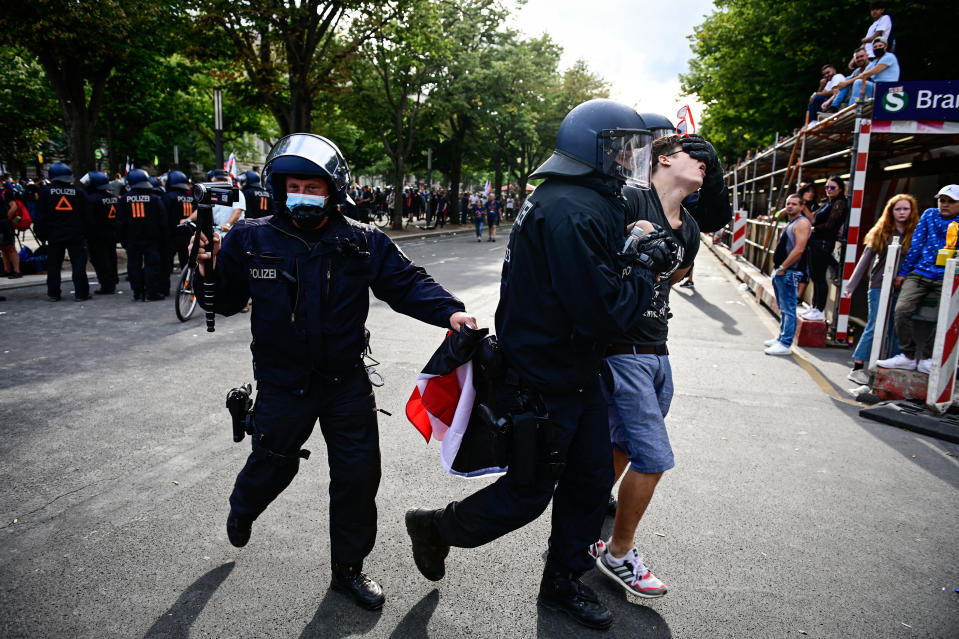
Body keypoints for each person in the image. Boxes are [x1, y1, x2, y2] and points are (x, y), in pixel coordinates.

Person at [404, 99, 668, 630]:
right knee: (526, 495)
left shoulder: (580, 197)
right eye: (620, 149)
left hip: (576, 371)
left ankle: (563, 583)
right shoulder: (571, 208)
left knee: (591, 482)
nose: (627, 160)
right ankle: (436, 528)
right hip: (543, 377)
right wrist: (643, 269)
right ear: (593, 149)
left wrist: (634, 254)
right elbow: (601, 313)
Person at [193, 133, 476, 611]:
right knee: (271, 465)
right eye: (294, 185)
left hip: (346, 383)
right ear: (280, 189)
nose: (303, 194)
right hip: (283, 384)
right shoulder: (250, 238)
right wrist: (206, 271)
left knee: (359, 477)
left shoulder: (362, 241)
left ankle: (348, 570)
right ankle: (243, 509)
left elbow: (407, 284)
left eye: (314, 186)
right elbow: (222, 301)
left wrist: (450, 313)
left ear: (334, 189)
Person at [592, 132, 708, 600]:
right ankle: (618, 554)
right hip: (623, 352)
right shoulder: (628, 200)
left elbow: (676, 275)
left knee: (620, 445)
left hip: (659, 352)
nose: (702, 163)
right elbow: (598, 260)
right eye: (692, 155)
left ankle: (579, 523)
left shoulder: (692, 228)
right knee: (653, 458)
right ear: (663, 160)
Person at [877, 185, 959, 373]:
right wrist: (904, 272)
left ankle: (929, 357)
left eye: (951, 201)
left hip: (948, 276)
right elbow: (917, 244)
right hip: (921, 272)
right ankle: (908, 355)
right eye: (942, 200)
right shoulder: (930, 215)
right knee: (901, 310)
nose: (945, 205)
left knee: (947, 317)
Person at [843, 194, 919, 385]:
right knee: (876, 324)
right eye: (898, 209)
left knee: (896, 326)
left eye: (906, 209)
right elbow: (865, 260)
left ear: (912, 211)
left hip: (903, 286)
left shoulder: (916, 232)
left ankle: (890, 366)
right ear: (891, 211)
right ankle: (858, 367)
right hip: (878, 284)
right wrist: (851, 285)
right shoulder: (881, 231)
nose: (902, 213)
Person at [34, 162, 92, 301]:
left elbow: (40, 216)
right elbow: (87, 215)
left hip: (54, 234)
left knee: (54, 265)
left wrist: (41, 234)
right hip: (75, 233)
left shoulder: (46, 193)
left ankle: (53, 293)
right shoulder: (78, 193)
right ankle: (81, 293)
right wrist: (86, 233)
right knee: (78, 264)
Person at [765, 194, 812, 355]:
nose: (790, 206)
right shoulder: (792, 222)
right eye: (788, 203)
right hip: (783, 270)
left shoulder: (802, 223)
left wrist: (783, 267)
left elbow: (799, 249)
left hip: (790, 271)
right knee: (783, 307)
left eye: (794, 204)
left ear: (801, 206)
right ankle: (781, 338)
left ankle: (785, 343)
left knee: (789, 307)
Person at [800, 176, 847, 323]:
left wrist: (813, 229)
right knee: (815, 277)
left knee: (820, 278)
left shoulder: (839, 203)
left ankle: (820, 310)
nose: (828, 190)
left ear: (839, 188)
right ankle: (815, 307)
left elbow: (831, 224)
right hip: (816, 243)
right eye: (826, 187)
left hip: (823, 244)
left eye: (832, 187)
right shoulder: (830, 202)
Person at [119, 169, 168, 301]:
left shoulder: (124, 200)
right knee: (152, 266)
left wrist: (123, 240)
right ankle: (152, 292)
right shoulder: (155, 199)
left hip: (132, 239)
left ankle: (138, 292)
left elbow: (121, 223)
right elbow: (163, 221)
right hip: (152, 239)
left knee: (134, 265)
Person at [81, 171, 120, 294]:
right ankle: (112, 281)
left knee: (100, 259)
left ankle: (106, 284)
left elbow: (88, 219)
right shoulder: (113, 198)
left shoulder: (90, 200)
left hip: (97, 235)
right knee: (111, 257)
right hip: (112, 233)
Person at [849, 37, 899, 104]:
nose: (877, 48)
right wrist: (845, 82)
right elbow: (862, 74)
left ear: (885, 46)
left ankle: (851, 107)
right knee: (849, 80)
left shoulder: (889, 57)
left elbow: (869, 73)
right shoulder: (874, 62)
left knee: (858, 83)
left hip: (887, 88)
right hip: (876, 87)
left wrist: (847, 82)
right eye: (875, 47)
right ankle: (835, 106)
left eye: (880, 46)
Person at [162, 170, 195, 270]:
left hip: (171, 235)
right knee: (186, 262)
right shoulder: (191, 198)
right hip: (187, 234)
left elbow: (163, 216)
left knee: (166, 263)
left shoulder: (167, 197)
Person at [825, 48, 869, 112]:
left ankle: (850, 108)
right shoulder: (857, 71)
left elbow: (864, 76)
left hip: (871, 92)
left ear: (867, 55)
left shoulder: (872, 65)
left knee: (856, 81)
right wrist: (829, 101)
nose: (859, 59)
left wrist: (847, 82)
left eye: (862, 56)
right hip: (856, 95)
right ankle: (834, 106)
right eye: (857, 58)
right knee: (848, 78)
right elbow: (840, 88)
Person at [1, 180, 23, 278]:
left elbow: (14, 207)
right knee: (3, 248)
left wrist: (6, 219)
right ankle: (7, 270)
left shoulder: (6, 192)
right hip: (3, 223)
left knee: (10, 247)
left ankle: (16, 270)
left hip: (5, 224)